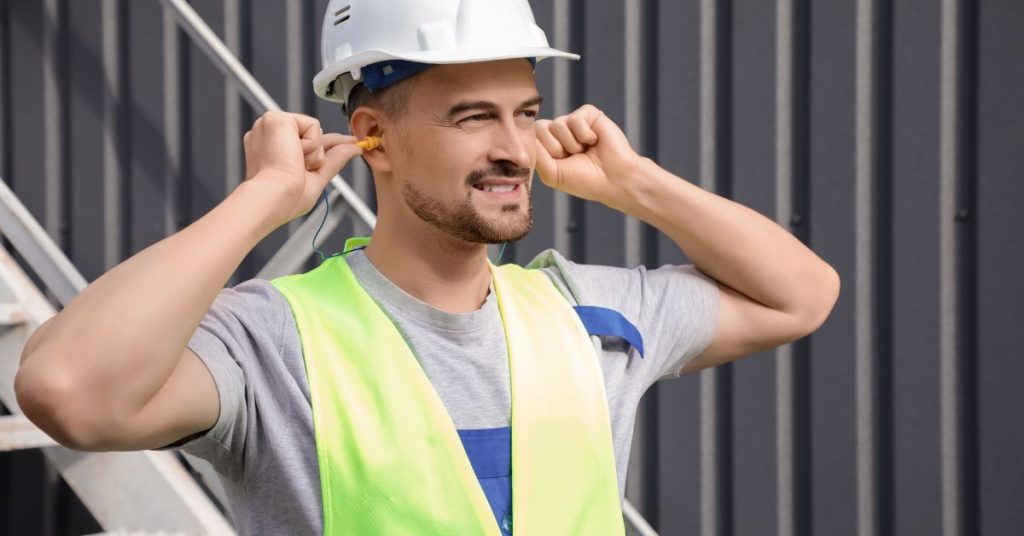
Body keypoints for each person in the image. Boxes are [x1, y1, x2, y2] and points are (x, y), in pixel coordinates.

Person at [14, 0, 840, 534]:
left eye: (526, 113)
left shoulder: (588, 315)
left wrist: (639, 183)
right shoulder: (275, 340)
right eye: (474, 117)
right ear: (374, 136)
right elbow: (67, 391)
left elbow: (802, 296)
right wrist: (263, 200)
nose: (515, 148)